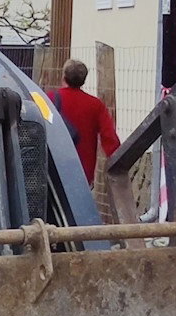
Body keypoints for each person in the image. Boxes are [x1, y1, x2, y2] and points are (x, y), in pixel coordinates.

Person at [50, 59, 124, 217]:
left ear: (64, 76)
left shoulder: (49, 99)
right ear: (84, 79)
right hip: (83, 170)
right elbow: (109, 138)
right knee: (79, 213)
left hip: (54, 165)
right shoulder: (95, 105)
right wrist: (118, 161)